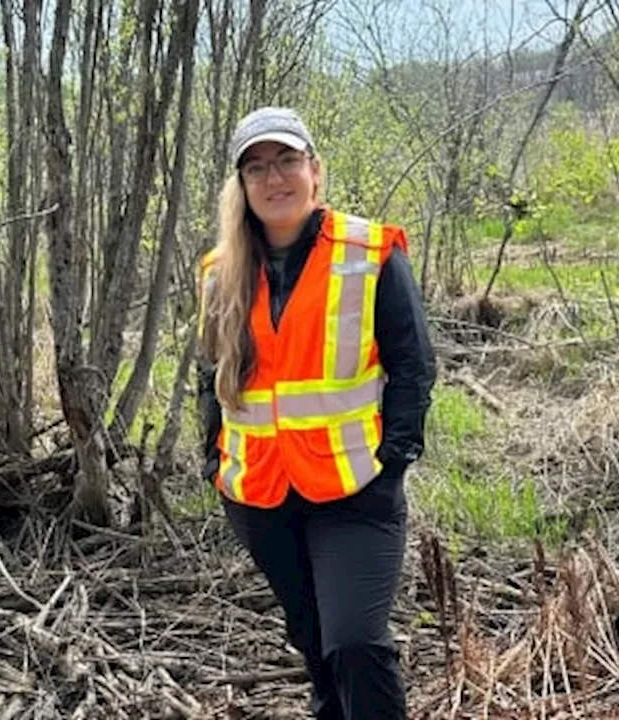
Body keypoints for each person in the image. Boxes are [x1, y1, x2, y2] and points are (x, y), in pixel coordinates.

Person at [196, 106, 436, 720]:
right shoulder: (221, 274)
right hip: (259, 495)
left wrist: (395, 458)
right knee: (315, 647)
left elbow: (413, 364)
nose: (274, 179)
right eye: (257, 168)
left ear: (314, 170)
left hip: (355, 489)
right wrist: (212, 458)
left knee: (355, 642)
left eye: (286, 161)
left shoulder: (369, 253)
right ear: (242, 187)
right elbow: (209, 373)